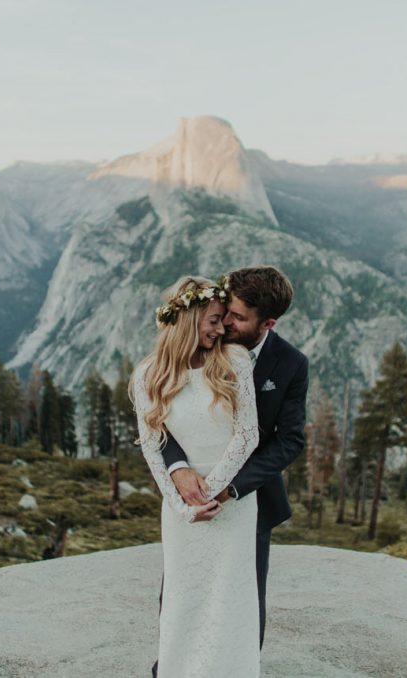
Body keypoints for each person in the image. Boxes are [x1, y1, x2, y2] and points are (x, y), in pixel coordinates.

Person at [162, 265, 308, 648]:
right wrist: (177, 468)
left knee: (243, 601)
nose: (224, 323)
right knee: (179, 591)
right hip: (191, 491)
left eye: (238, 318)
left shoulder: (291, 365)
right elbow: (159, 415)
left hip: (251, 498)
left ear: (268, 323)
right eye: (226, 310)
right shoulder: (197, 341)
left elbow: (290, 440)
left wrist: (232, 487)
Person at [131, 274, 261, 678]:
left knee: (229, 597)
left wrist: (214, 491)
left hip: (231, 504)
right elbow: (152, 445)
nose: (222, 329)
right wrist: (181, 506)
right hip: (182, 510)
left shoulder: (234, 361)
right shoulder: (147, 376)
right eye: (214, 320)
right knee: (183, 597)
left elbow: (248, 434)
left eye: (223, 320)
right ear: (188, 319)